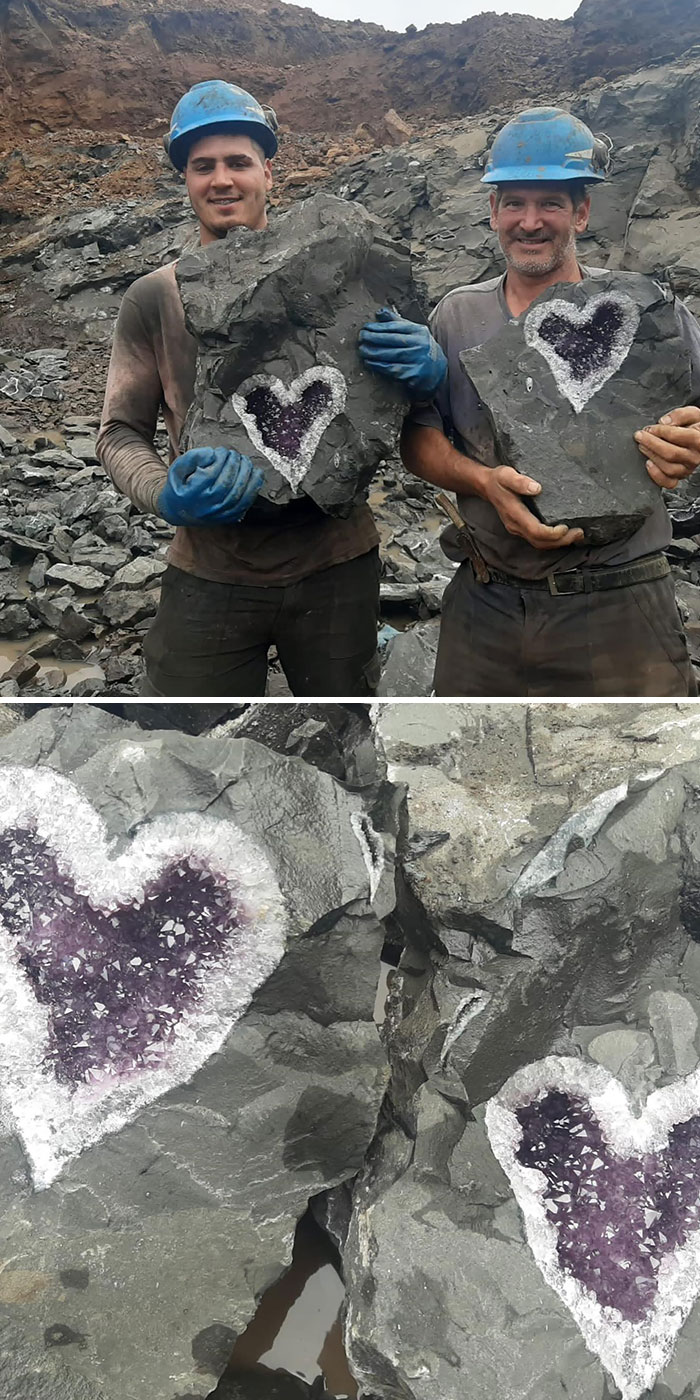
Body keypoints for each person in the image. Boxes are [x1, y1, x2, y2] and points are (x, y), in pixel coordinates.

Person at [359, 107, 700, 697]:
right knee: (462, 770)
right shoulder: (458, 315)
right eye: (514, 202)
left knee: (643, 775)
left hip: (623, 602)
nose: (531, 221)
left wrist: (691, 442)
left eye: (551, 203)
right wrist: (484, 481)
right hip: (488, 598)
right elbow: (418, 439)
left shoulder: (647, 312)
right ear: (492, 212)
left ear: (583, 212)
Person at [97, 80, 381, 697]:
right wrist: (162, 493)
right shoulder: (154, 297)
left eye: (238, 163)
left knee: (344, 740)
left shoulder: (339, 278)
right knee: (191, 747)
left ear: (269, 172)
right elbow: (119, 432)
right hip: (210, 568)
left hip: (337, 562)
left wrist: (425, 370)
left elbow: (390, 413)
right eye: (203, 167)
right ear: (186, 179)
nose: (221, 180)